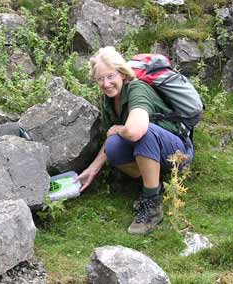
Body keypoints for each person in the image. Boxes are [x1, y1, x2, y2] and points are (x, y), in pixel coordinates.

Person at [76, 46, 194, 235]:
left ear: (122, 74)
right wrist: (92, 169)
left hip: (178, 153)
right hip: (154, 151)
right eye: (100, 79)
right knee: (113, 147)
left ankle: (152, 205)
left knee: (144, 133)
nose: (106, 83)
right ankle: (155, 184)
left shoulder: (137, 88)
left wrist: (119, 129)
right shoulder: (109, 99)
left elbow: (134, 132)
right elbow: (114, 136)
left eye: (110, 76)